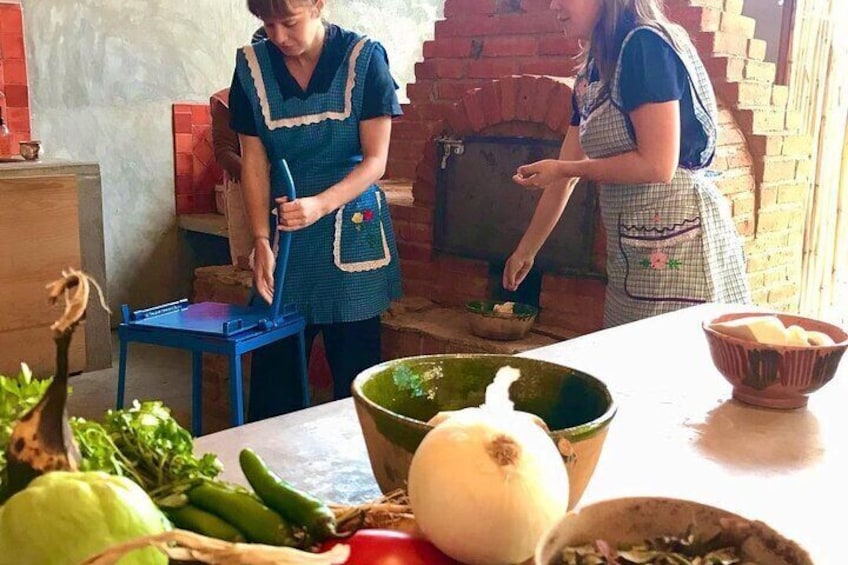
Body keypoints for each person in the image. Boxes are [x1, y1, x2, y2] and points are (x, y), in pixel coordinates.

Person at [505, 0, 751, 328]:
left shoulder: (645, 46)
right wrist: (527, 249)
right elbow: (566, 170)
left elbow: (658, 165)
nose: (553, 4)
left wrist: (567, 169)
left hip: (681, 247)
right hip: (631, 255)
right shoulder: (591, 73)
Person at [229, 0, 403, 420]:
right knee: (274, 381)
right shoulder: (251, 68)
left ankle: (362, 477)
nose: (277, 36)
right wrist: (260, 239)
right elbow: (253, 162)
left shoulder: (365, 60)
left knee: (356, 380)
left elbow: (375, 162)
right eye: (266, 24)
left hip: (351, 230)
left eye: (288, 23)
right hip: (287, 235)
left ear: (318, 5)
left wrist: (321, 205)